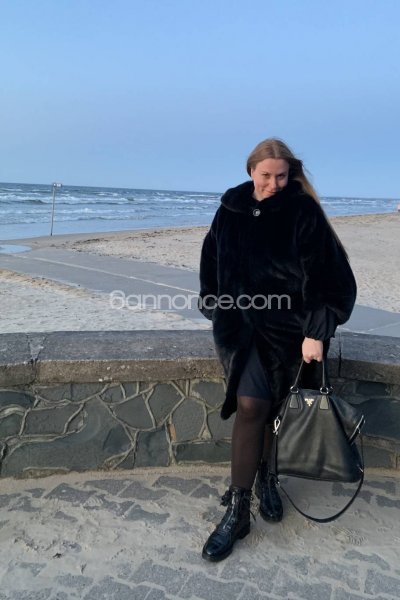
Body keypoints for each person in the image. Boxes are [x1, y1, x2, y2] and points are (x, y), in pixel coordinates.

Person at [198, 138, 357, 562]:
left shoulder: (302, 211)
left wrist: (317, 331)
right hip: (240, 331)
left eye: (281, 176)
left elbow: (334, 279)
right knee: (251, 405)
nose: (273, 184)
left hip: (292, 335)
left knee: (275, 408)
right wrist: (213, 302)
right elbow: (210, 257)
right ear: (251, 171)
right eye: (266, 175)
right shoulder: (229, 209)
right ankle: (238, 510)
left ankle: (267, 477)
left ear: (290, 174)